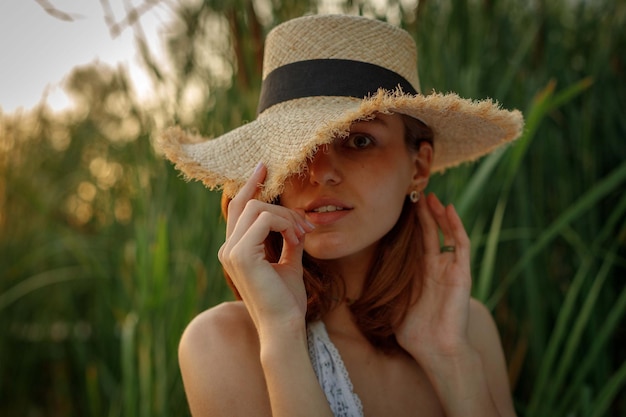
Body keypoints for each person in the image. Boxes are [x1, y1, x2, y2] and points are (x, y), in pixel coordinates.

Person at [159, 14, 523, 417]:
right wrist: (281, 337)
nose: (319, 172)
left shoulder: (469, 329)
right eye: (296, 149)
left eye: (359, 140)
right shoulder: (221, 342)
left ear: (418, 167)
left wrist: (452, 358)